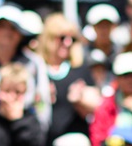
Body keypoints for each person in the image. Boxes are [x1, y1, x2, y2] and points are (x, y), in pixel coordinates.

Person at [38, 13, 100, 145]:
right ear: (49, 38)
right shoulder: (37, 69)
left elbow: (97, 106)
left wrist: (80, 99)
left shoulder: (80, 70)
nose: (67, 43)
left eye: (72, 38)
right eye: (62, 38)